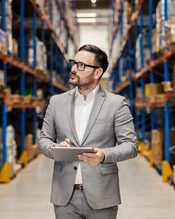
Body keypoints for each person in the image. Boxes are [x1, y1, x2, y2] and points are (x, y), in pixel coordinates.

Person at [38, 44, 138, 219]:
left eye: (81, 65)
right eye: (73, 63)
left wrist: (104, 155)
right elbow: (43, 140)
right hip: (64, 197)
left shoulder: (117, 104)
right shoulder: (56, 102)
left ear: (97, 72)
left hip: (102, 195)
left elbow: (131, 146)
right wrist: (55, 147)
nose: (74, 69)